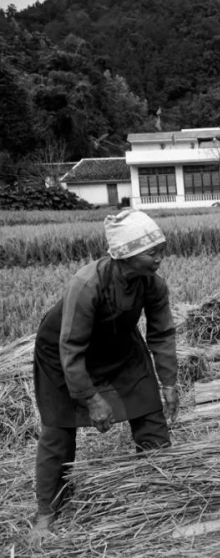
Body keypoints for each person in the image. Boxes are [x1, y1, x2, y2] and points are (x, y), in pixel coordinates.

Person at [32, 209, 178, 534]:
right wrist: (90, 397)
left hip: (120, 349)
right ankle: (47, 509)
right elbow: (71, 345)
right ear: (126, 254)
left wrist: (169, 382)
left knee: (151, 413)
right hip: (63, 354)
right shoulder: (87, 284)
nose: (160, 259)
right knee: (58, 430)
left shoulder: (153, 285)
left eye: (161, 250)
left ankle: (160, 485)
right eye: (153, 252)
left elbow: (162, 334)